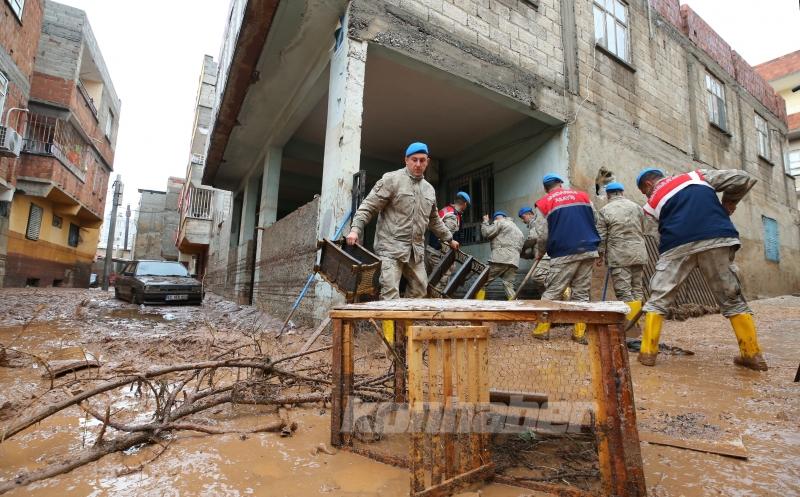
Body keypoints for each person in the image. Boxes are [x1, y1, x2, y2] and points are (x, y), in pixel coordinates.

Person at [635, 167, 767, 370]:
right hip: (717, 237)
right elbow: (742, 178)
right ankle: (751, 354)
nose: (647, 195)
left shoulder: (649, 206)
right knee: (731, 296)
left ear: (648, 185)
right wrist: (728, 202)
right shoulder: (696, 176)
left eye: (645, 191)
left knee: (658, 300)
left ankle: (647, 353)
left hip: (676, 245)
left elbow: (657, 235)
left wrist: (675, 259)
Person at [346, 142, 459, 342]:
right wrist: (355, 229)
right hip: (389, 247)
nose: (417, 164)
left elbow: (433, 220)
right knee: (390, 293)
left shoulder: (429, 190)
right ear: (406, 160)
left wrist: (449, 239)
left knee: (420, 289)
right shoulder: (392, 180)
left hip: (415, 250)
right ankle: (389, 344)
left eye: (422, 160)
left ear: (427, 162)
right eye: (414, 160)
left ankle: (404, 335)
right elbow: (368, 207)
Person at [531, 173, 601, 344]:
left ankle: (542, 330)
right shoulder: (583, 196)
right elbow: (596, 219)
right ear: (561, 184)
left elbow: (542, 235)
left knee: (552, 292)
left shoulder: (544, 202)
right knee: (582, 294)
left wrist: (540, 252)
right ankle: (578, 333)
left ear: (546, 188)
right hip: (588, 249)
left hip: (563, 252)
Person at [596, 182, 648, 325]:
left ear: (608, 195)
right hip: (639, 252)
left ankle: (631, 325)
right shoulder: (637, 207)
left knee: (623, 291)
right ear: (622, 192)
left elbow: (601, 236)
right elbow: (645, 227)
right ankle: (637, 321)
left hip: (619, 255)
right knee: (637, 288)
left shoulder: (605, 210)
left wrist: (600, 255)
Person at [427, 191, 471, 293]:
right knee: (442, 280)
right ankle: (435, 305)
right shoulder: (452, 216)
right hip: (438, 253)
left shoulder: (446, 209)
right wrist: (449, 259)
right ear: (464, 204)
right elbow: (445, 238)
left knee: (429, 280)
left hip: (432, 250)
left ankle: (426, 301)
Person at [477, 211, 525, 300]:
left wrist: (485, 222)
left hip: (500, 258)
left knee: (481, 282)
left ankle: (477, 306)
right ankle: (515, 306)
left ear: (496, 218)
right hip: (514, 260)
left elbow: (486, 233)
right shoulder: (518, 229)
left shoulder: (499, 222)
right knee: (508, 285)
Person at [518, 206, 551, 291]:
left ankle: (559, 288)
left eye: (523, 217)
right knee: (540, 284)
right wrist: (526, 255)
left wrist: (521, 249)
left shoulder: (536, 222)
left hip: (546, 255)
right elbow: (535, 246)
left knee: (537, 276)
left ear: (529, 214)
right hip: (543, 255)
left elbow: (533, 239)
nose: (523, 221)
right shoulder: (533, 224)